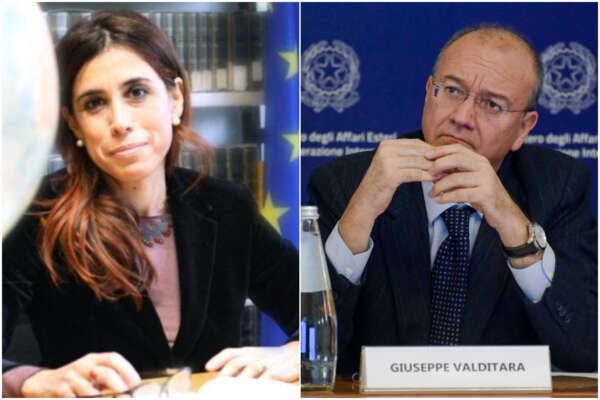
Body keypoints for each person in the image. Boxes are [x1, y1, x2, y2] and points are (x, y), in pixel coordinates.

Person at [3, 10, 298, 397]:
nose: (120, 121)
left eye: (136, 93)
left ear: (175, 99)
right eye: (94, 103)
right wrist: (30, 380)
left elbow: (320, 312)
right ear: (74, 124)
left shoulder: (227, 206)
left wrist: (296, 352)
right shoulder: (38, 212)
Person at [308, 24, 597, 376]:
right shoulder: (347, 183)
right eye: (452, 90)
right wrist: (359, 216)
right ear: (428, 93)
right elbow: (311, 350)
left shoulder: (557, 187)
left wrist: (515, 229)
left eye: (492, 104)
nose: (461, 117)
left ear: (524, 127)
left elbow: (587, 349)